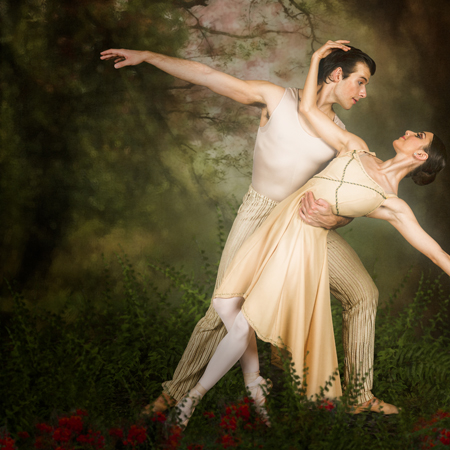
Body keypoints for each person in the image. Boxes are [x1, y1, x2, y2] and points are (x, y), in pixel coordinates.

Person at [172, 40, 450, 427]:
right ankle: (253, 388)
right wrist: (316, 58)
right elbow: (307, 109)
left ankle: (196, 401)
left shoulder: (393, 204)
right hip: (276, 224)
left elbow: (437, 254)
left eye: (420, 137)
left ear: (419, 157)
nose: (412, 131)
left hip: (303, 248)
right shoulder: (357, 147)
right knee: (228, 308)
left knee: (247, 318)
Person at [100, 42, 400, 415]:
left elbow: (353, 198)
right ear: (336, 75)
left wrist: (334, 219)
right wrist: (148, 57)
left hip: (303, 226)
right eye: (360, 81)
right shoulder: (275, 99)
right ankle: (173, 396)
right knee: (221, 312)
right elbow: (210, 77)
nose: (363, 92)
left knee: (363, 293)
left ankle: (359, 399)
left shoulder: (341, 135)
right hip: (260, 215)